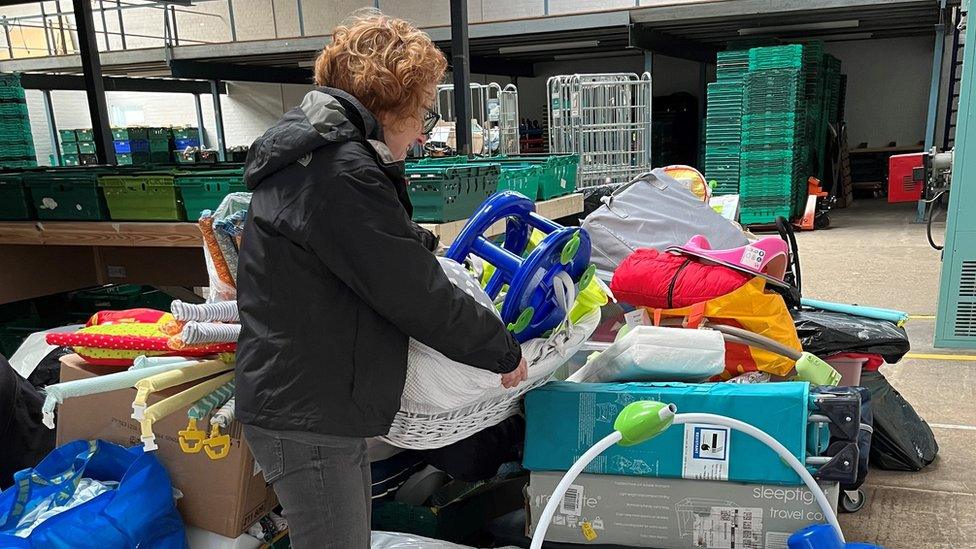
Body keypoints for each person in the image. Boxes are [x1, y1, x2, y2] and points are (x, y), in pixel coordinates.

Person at [234, 10, 528, 549]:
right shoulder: (339, 170)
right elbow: (414, 294)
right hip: (308, 413)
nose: (422, 131)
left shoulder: (320, 161)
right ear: (388, 101)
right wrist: (502, 352)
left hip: (307, 402)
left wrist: (418, 244)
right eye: (421, 111)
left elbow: (366, 249)